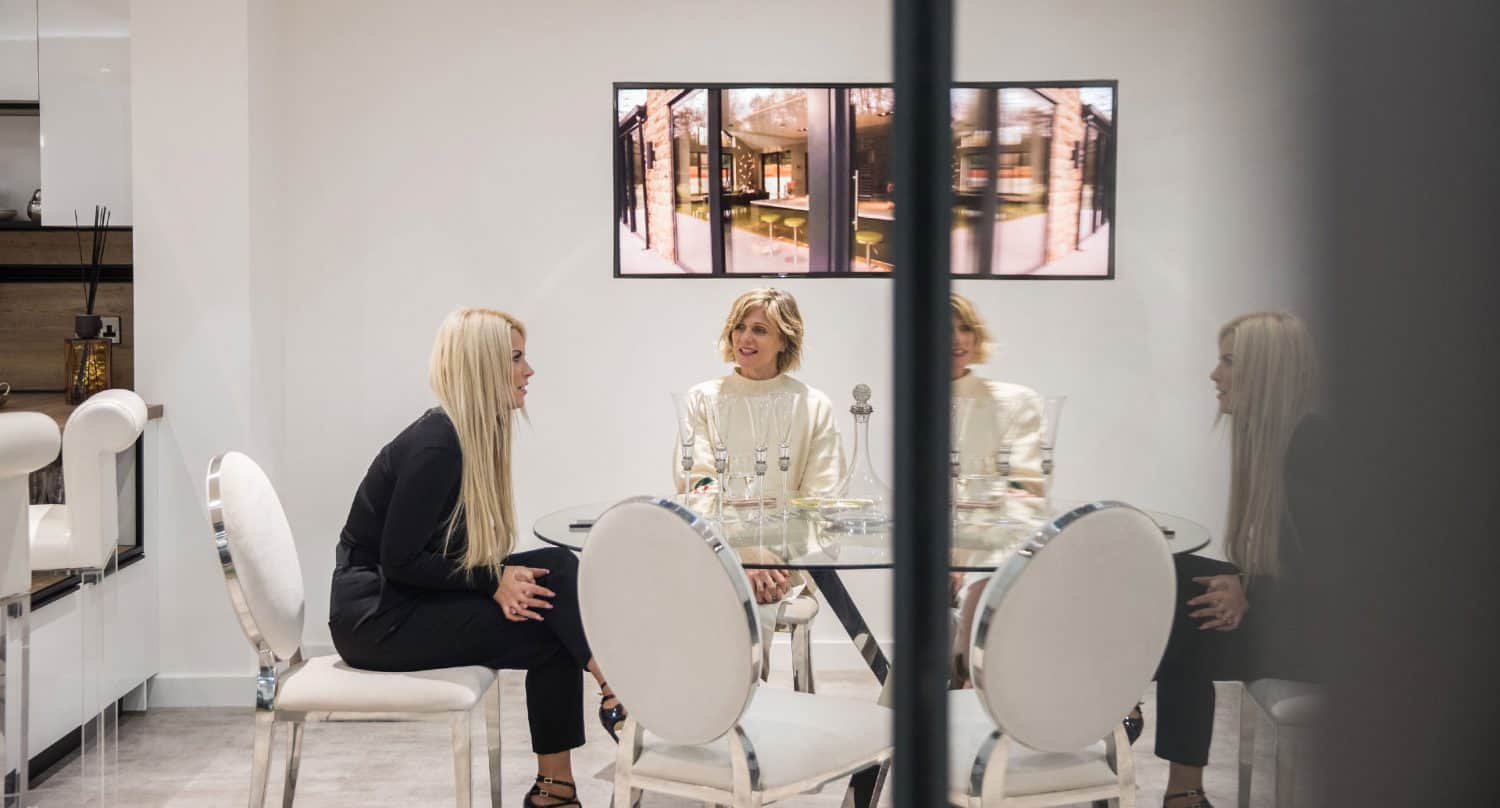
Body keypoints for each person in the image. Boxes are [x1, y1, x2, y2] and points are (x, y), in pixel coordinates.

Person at [329, 307, 623, 808]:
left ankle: (557, 788)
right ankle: (617, 693)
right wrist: (492, 580)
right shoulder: (437, 445)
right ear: (482, 366)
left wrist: (498, 578)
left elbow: (437, 556)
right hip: (377, 618)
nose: (529, 371)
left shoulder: (466, 433)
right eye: (515, 358)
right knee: (554, 595)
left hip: (403, 603)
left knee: (554, 579)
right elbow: (399, 561)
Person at [1151, 312, 1329, 808]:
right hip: (1304, 621)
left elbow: (1343, 582)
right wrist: (1246, 585)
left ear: (1267, 373)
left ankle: (1177, 784)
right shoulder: (1279, 441)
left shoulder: (1312, 448)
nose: (1214, 375)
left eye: (1228, 362)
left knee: (1186, 598)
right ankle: (1182, 791)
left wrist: (1250, 591)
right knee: (1184, 581)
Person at [679, 287, 844, 605]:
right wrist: (745, 552)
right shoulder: (703, 399)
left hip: (786, 563)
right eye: (739, 327)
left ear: (784, 339)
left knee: (743, 602)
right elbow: (698, 485)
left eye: (759, 330)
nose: (745, 339)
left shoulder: (813, 405)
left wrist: (771, 564)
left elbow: (821, 502)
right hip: (718, 551)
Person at [947, 292, 1046, 684]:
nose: (956, 339)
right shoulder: (917, 403)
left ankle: (970, 691)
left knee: (983, 590)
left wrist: (960, 558)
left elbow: (1025, 493)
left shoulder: (1016, 401)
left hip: (1002, 549)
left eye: (964, 327)